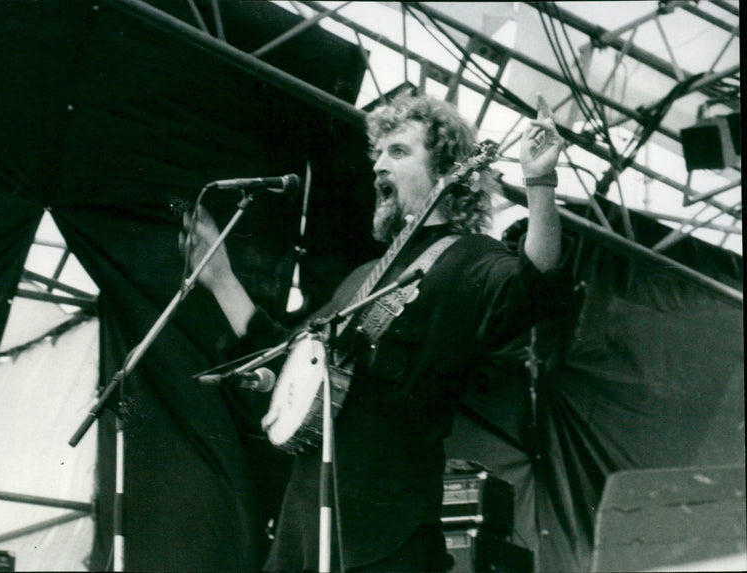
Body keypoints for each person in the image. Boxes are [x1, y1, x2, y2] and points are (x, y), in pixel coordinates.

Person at [180, 92, 570, 572]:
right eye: (379, 154)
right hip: (306, 525)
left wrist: (539, 182)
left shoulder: (469, 257)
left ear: (447, 170)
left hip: (385, 534)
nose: (379, 166)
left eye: (399, 152)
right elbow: (286, 367)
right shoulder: (362, 277)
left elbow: (535, 285)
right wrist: (219, 277)